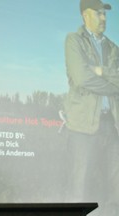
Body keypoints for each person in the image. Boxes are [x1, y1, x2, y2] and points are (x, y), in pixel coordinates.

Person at [64, 0, 119, 214]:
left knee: (116, 183)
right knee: (80, 182)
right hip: (82, 126)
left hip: (111, 124)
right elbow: (81, 77)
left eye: (105, 14)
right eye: (99, 14)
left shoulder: (113, 47)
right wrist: (113, 88)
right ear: (85, 15)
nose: (104, 18)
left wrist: (99, 70)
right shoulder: (74, 41)